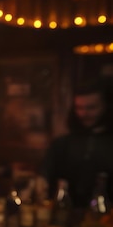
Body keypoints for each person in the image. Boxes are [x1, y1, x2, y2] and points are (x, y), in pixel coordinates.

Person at [43, 79, 113, 208]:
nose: (83, 114)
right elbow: (45, 177)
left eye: (91, 108)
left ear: (106, 106)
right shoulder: (61, 144)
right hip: (64, 216)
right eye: (79, 108)